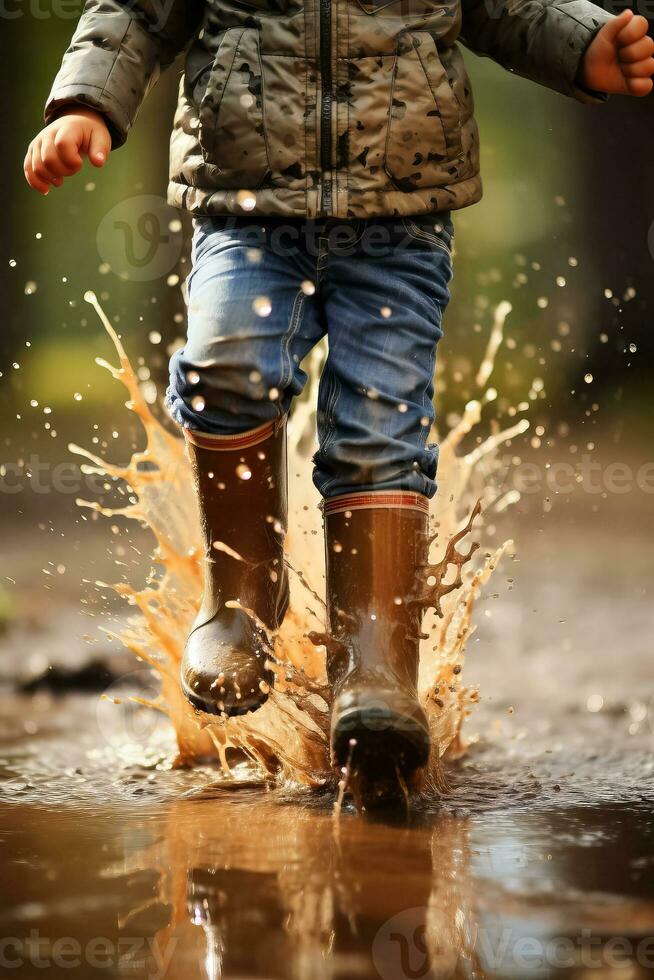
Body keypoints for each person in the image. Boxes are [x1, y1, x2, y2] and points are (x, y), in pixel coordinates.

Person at [25, 0, 653, 791]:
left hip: (401, 214)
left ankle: (377, 664)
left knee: (380, 430)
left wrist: (583, 42)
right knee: (222, 372)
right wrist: (88, 100)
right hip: (243, 204)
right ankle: (241, 601)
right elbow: (139, 9)